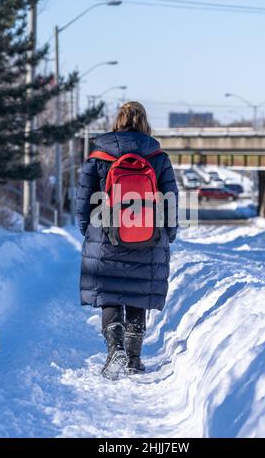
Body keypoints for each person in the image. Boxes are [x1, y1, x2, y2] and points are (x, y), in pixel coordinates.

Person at [76, 101, 178, 380]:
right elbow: (170, 198)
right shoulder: (158, 157)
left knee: (110, 293)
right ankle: (133, 358)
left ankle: (115, 350)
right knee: (137, 294)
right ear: (145, 122)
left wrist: (86, 228)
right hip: (148, 234)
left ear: (117, 122)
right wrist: (169, 231)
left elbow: (84, 198)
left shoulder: (98, 155)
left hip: (105, 235)